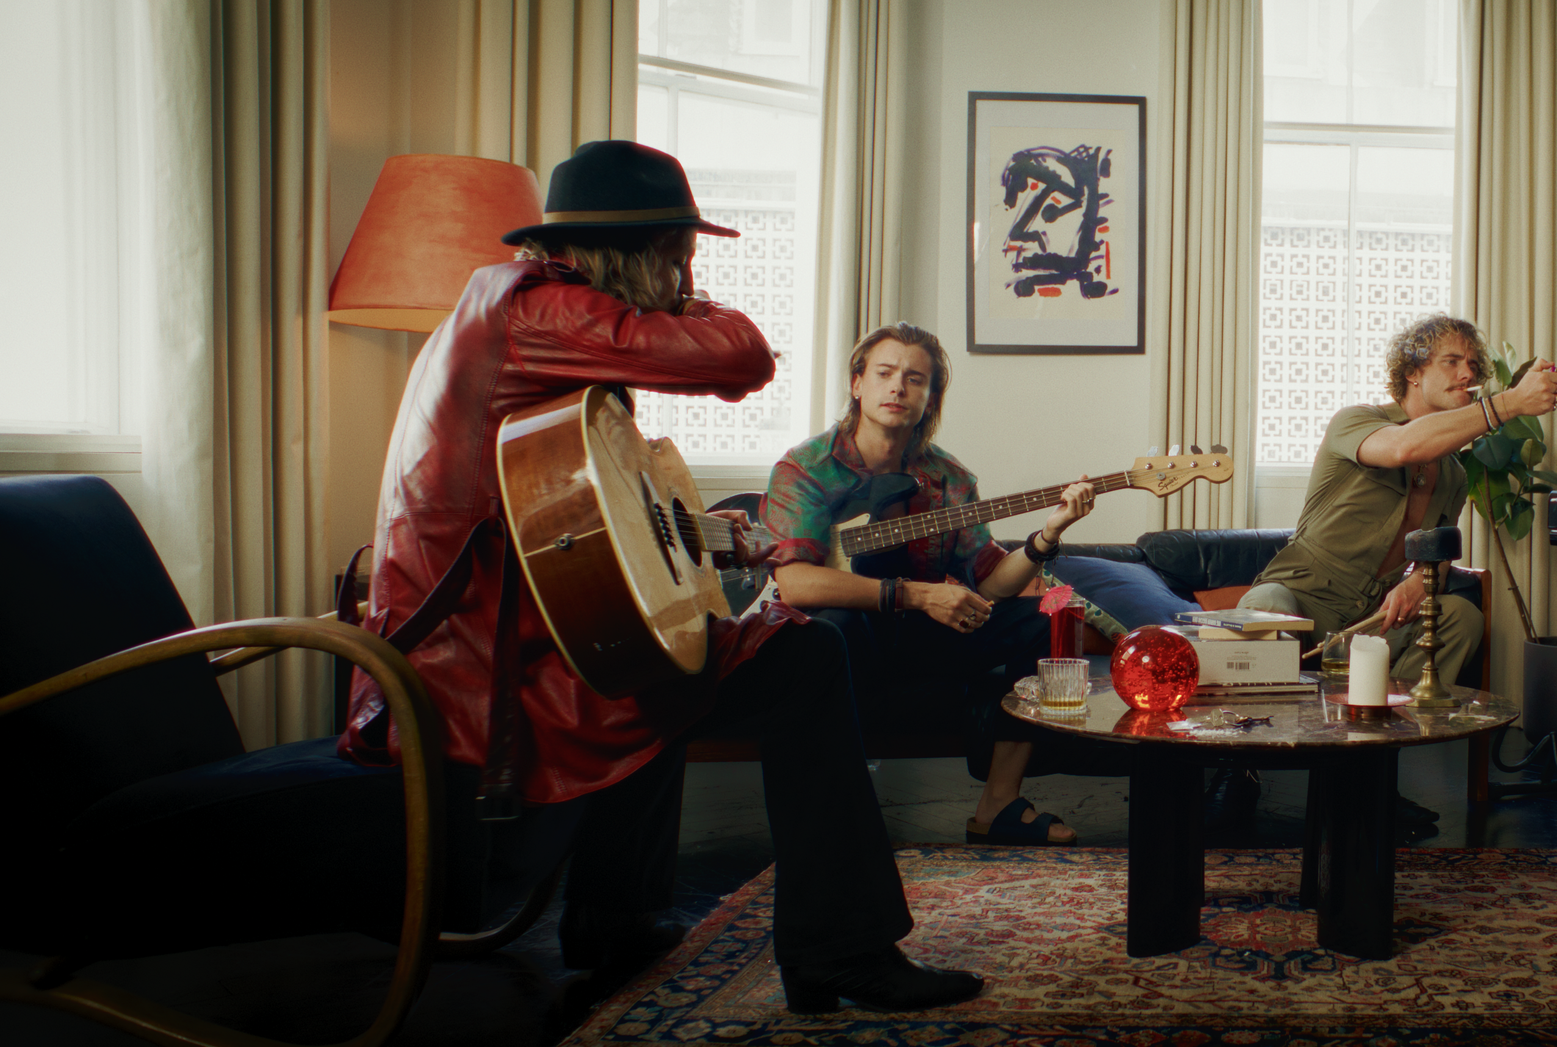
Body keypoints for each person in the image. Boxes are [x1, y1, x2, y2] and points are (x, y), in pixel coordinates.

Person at [338, 140, 980, 1013]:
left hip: (522, 628)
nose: (687, 271)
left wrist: (693, 533)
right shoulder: (547, 313)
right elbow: (742, 357)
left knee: (681, 645)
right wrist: (683, 300)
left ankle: (616, 919)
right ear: (643, 250)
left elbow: (553, 505)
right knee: (803, 659)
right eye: (680, 254)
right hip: (490, 669)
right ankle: (841, 951)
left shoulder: (507, 305)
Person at [1218, 314, 1557, 830]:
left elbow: (1440, 548)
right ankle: (1236, 771)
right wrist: (1510, 402)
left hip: (1373, 610)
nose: (1466, 373)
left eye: (1472, 365)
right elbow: (1404, 447)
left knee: (1458, 616)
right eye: (1450, 362)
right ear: (1412, 373)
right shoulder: (1356, 421)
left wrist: (1416, 579)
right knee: (1267, 609)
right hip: (1303, 589)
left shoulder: (1451, 470)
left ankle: (1370, 774)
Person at [760, 323, 1097, 845]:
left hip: (924, 637)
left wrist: (1047, 535)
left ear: (931, 396)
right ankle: (836, 818)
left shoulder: (949, 478)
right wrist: (917, 595)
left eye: (915, 379)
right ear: (857, 384)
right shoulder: (807, 470)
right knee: (833, 625)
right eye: (885, 374)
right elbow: (796, 584)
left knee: (1042, 617)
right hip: (853, 636)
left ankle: (998, 805)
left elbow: (992, 581)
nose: (898, 388)